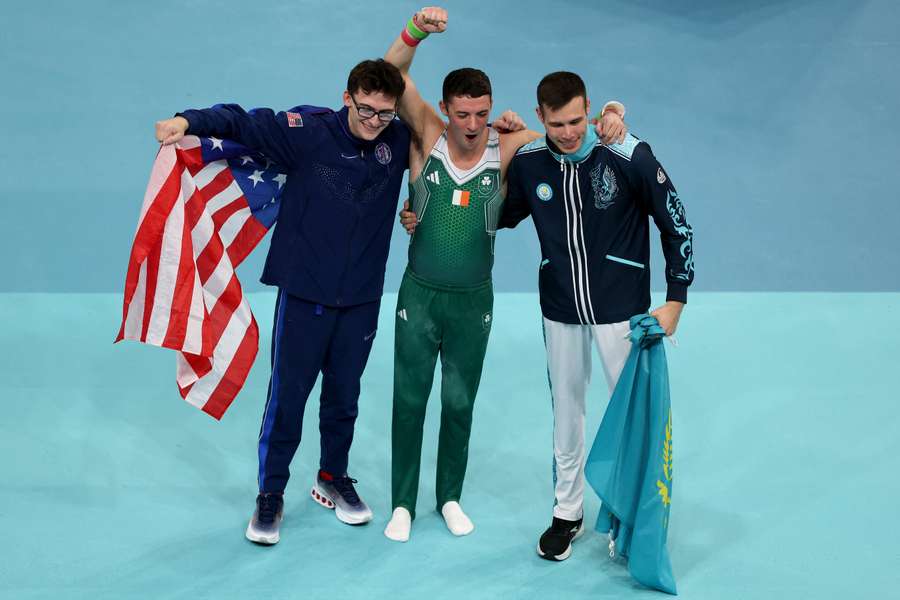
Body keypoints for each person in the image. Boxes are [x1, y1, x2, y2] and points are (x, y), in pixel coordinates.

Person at [385, 7, 627, 543]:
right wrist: (416, 31)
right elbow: (392, 75)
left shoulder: (511, 144)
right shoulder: (425, 133)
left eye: (482, 113)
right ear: (444, 109)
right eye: (463, 114)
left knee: (459, 401)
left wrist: (612, 113)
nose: (473, 125)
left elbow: (573, 130)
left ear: (493, 111)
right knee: (408, 398)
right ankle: (402, 502)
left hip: (475, 299)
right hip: (419, 295)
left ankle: (449, 497)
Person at [154, 59, 413, 546]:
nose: (374, 122)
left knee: (345, 397)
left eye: (384, 113)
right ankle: (270, 493)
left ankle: (332, 478)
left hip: (361, 297)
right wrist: (186, 121)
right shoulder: (305, 134)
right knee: (288, 399)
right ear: (346, 97)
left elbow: (459, 139)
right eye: (365, 110)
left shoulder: (396, 140)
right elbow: (239, 119)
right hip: (305, 295)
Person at [498, 71, 694, 561]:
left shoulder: (628, 154)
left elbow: (677, 223)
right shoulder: (528, 161)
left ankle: (631, 518)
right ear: (539, 117)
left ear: (589, 109)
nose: (568, 132)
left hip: (623, 312)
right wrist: (493, 154)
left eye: (577, 120)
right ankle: (567, 513)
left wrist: (675, 298)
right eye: (557, 123)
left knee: (633, 419)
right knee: (566, 415)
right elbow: (500, 216)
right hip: (560, 309)